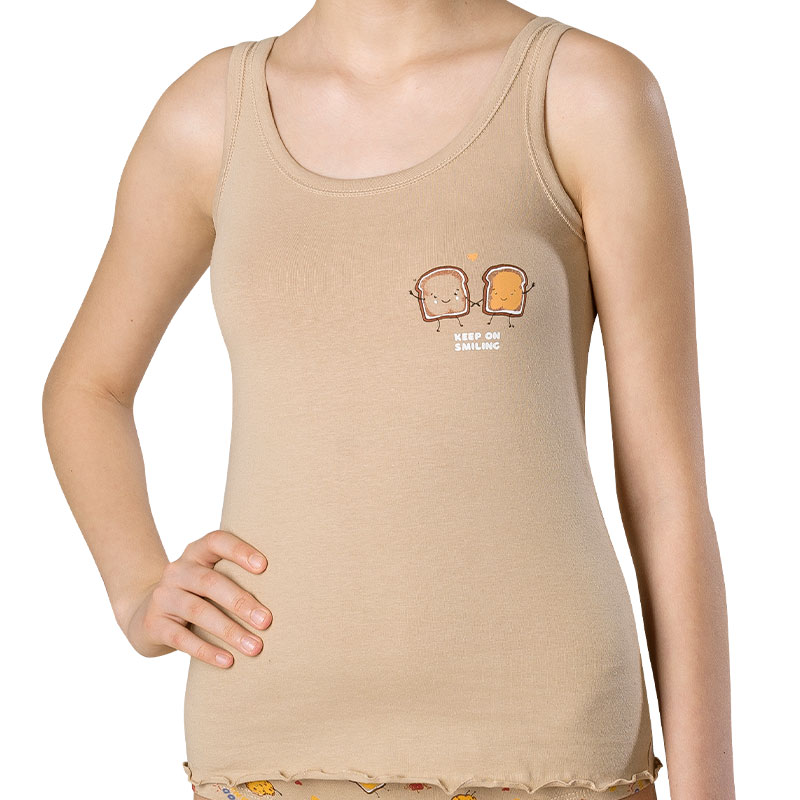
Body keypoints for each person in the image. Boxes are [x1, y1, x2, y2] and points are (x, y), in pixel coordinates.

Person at [41, 2, 735, 800]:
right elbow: (86, 388)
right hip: (272, 737)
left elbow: (666, 492)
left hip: (549, 741)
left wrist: (709, 788)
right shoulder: (208, 117)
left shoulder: (584, 93)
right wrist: (136, 588)